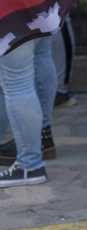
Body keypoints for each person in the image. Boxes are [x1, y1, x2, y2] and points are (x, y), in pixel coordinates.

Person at [0, 36, 54, 187]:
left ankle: (29, 164)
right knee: (41, 55)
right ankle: (39, 142)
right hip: (37, 14)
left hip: (8, 16)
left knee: (16, 82)